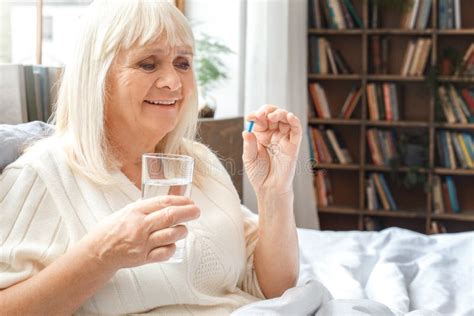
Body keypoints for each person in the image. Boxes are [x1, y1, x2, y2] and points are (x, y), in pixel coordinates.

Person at [0, 0, 302, 314]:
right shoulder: (41, 175)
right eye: (148, 63)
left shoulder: (201, 164)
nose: (173, 82)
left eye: (182, 62)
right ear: (97, 76)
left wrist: (274, 193)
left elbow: (273, 288)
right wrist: (102, 255)